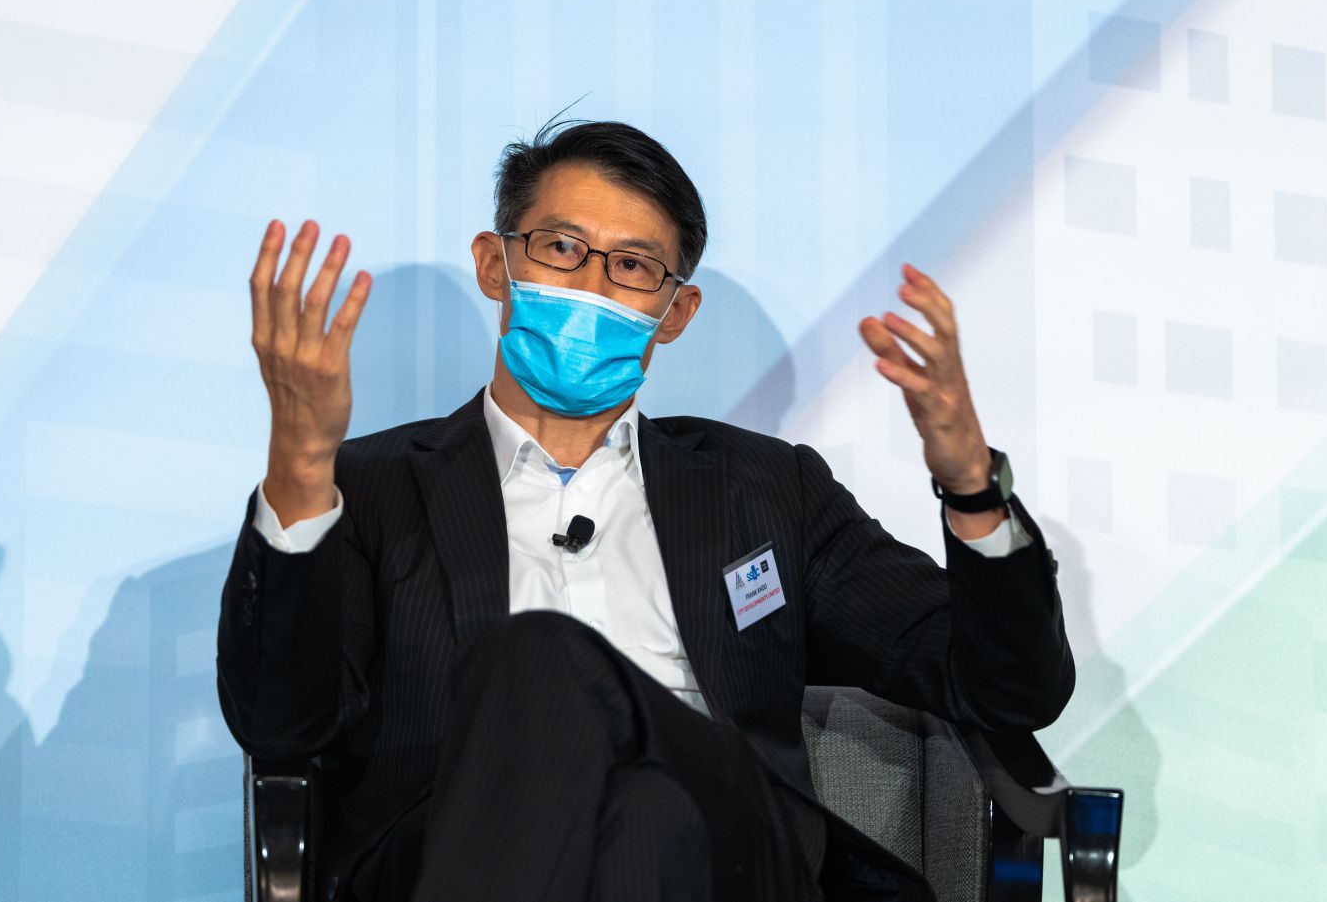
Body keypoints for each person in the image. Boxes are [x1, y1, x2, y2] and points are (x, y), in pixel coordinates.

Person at [217, 120, 1073, 902]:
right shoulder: (367, 489)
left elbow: (1005, 687)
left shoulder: (764, 488)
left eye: (631, 266)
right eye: (561, 248)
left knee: (557, 670)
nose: (592, 286)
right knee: (641, 815)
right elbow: (279, 723)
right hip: (451, 848)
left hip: (739, 860)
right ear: (494, 263)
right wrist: (300, 464)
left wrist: (972, 485)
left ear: (674, 312)